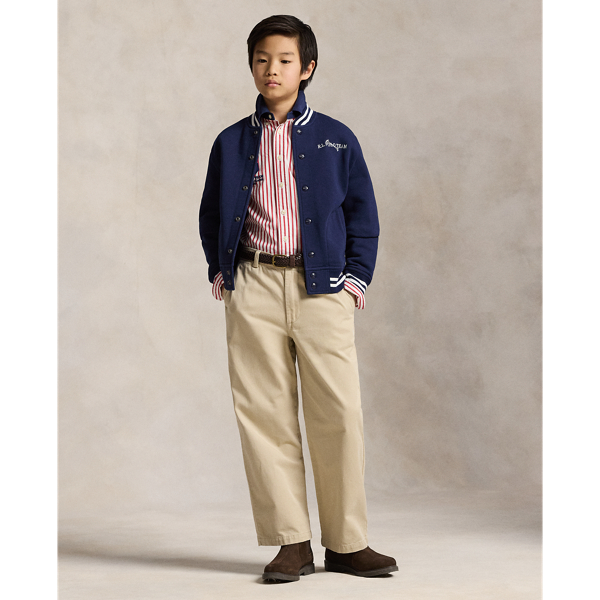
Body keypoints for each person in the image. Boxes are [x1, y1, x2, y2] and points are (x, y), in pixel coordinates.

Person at [199, 14, 397, 583]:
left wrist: (355, 280)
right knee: (264, 413)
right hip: (254, 284)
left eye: (285, 60)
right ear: (251, 66)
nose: (272, 70)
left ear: (306, 68)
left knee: (339, 412)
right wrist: (221, 270)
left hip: (323, 288)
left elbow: (363, 215)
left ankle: (347, 543)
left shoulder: (337, 138)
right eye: (262, 59)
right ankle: (291, 542)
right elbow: (211, 212)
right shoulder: (231, 141)